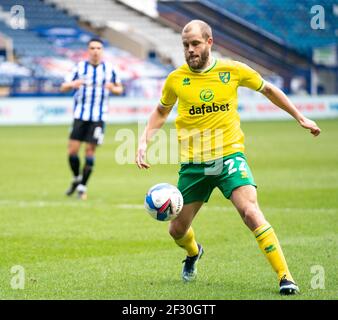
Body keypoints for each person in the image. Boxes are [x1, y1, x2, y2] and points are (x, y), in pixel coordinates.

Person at [136, 20, 321, 295]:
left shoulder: (232, 70)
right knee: (176, 230)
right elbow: (161, 111)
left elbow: (268, 89)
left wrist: (300, 116)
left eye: (195, 44)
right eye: (186, 45)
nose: (190, 50)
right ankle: (194, 252)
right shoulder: (176, 79)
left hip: (229, 157)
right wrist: (143, 140)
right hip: (194, 165)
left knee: (250, 212)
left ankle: (285, 277)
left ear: (209, 42)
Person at [60, 38, 123, 200]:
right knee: (72, 151)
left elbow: (119, 89)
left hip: (98, 118)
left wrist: (113, 88)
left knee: (89, 151)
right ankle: (76, 178)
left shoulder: (110, 69)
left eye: (99, 48)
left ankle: (82, 187)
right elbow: (63, 86)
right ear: (88, 50)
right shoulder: (79, 67)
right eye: (92, 48)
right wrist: (73, 84)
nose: (95, 51)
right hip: (80, 116)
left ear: (102, 50)